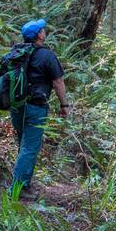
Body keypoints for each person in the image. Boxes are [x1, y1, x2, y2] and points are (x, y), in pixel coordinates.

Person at [10, 18, 68, 201]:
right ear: (38, 35)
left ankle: (24, 184)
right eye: (42, 29)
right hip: (35, 107)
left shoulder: (17, 52)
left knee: (24, 145)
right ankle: (17, 190)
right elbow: (58, 82)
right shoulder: (47, 56)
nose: (44, 30)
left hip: (16, 106)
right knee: (29, 147)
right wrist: (64, 105)